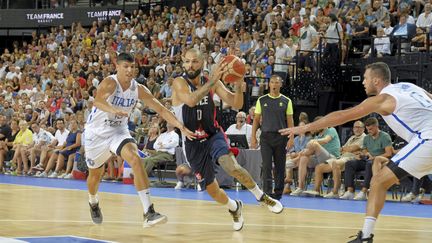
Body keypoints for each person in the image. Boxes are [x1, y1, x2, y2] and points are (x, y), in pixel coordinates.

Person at [280, 62, 432, 242]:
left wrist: (307, 128)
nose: (363, 82)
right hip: (423, 138)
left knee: (378, 181)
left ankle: (366, 237)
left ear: (376, 80)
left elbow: (343, 115)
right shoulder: (410, 87)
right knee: (379, 181)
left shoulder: (382, 99)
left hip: (427, 138)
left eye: (365, 78)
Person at [171, 48, 283, 232]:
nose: (190, 66)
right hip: (192, 143)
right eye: (187, 61)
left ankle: (261, 196)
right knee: (212, 190)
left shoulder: (210, 83)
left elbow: (236, 103)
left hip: (213, 135)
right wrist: (215, 80)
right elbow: (191, 100)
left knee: (230, 165)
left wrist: (238, 85)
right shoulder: (179, 83)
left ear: (203, 63)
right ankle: (234, 207)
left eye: (195, 62)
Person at [84, 53, 194, 227]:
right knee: (95, 177)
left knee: (135, 158)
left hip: (118, 131)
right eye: (125, 66)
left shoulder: (139, 89)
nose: (130, 70)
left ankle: (148, 212)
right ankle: (93, 201)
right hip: (96, 134)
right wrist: (113, 109)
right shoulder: (110, 82)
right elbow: (97, 102)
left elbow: (161, 110)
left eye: (132, 66)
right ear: (117, 66)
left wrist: (180, 126)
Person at [251, 75, 294, 200]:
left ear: (281, 84)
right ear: (269, 84)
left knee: (280, 166)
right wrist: (253, 136)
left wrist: (291, 138)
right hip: (266, 137)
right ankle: (267, 193)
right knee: (266, 165)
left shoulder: (287, 101)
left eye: (277, 82)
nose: (274, 84)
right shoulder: (262, 100)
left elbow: (290, 121)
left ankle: (278, 193)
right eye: (272, 82)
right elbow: (256, 120)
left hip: (281, 137)